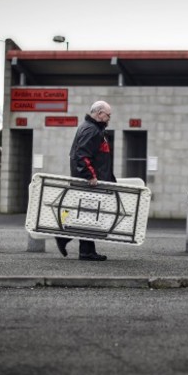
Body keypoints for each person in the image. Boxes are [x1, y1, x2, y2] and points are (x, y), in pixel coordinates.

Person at [55, 100, 116, 261]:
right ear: (99, 113)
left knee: (88, 216)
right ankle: (67, 239)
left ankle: (86, 251)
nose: (109, 118)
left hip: (87, 179)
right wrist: (90, 176)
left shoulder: (91, 128)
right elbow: (82, 155)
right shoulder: (92, 130)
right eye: (107, 115)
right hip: (88, 181)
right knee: (89, 216)